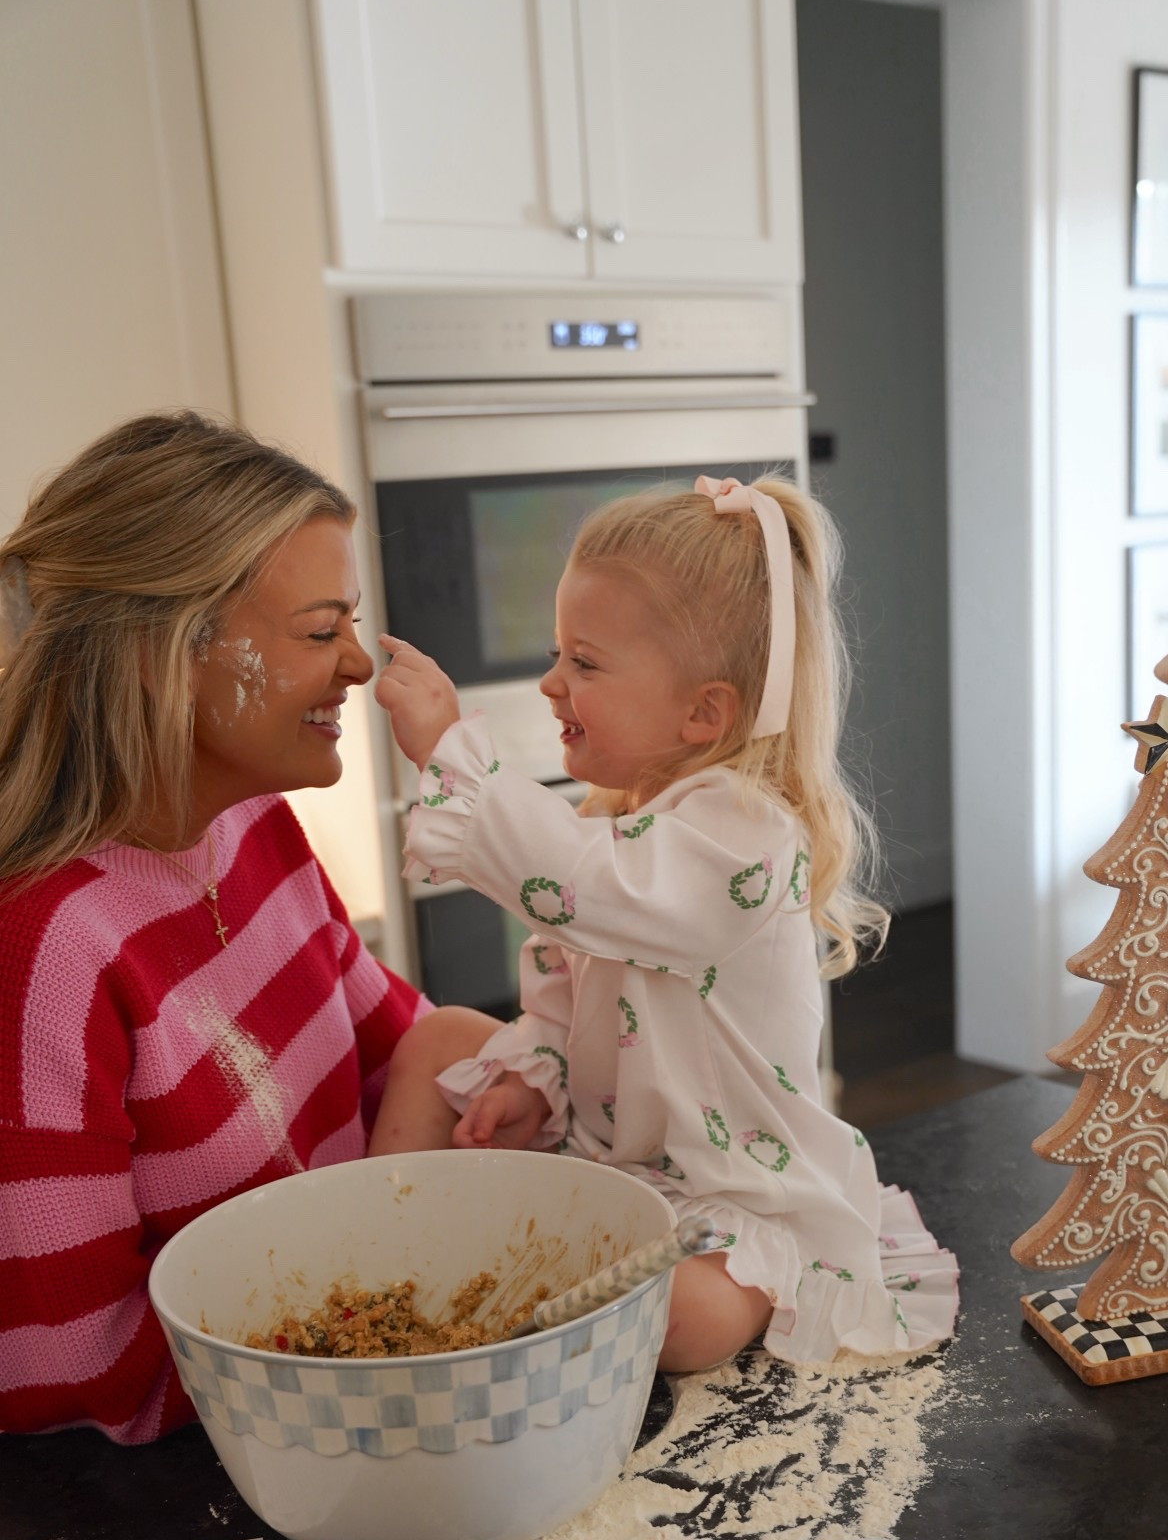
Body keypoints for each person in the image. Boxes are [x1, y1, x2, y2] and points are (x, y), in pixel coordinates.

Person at [370, 474, 959, 1370]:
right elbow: (564, 1001)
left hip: (727, 1192)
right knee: (436, 1037)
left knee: (687, 1317)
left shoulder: (745, 834)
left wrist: (455, 755)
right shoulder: (612, 819)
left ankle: (517, 1276)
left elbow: (583, 887)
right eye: (559, 652)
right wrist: (535, 1078)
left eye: (585, 664)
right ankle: (384, 1269)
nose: (550, 681)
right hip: (613, 1155)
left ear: (704, 712)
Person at [0, 412, 443, 1442]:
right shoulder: (44, 951)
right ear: (166, 655)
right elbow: (88, 1375)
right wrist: (374, 1323)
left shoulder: (255, 826)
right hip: (226, 1468)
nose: (362, 668)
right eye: (321, 630)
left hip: (351, 1390)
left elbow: (411, 1048)